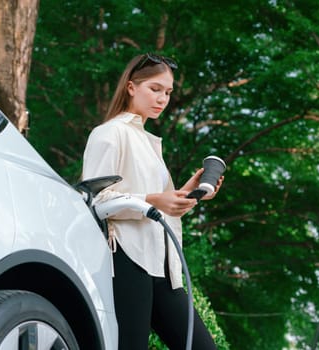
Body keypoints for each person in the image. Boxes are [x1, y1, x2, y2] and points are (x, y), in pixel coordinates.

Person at [82, 53, 222, 349]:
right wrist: (156, 201)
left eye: (168, 92)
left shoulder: (147, 141)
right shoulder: (109, 134)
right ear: (131, 87)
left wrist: (186, 195)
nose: (163, 99)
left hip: (164, 266)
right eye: (155, 89)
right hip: (127, 259)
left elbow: (158, 207)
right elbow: (96, 203)